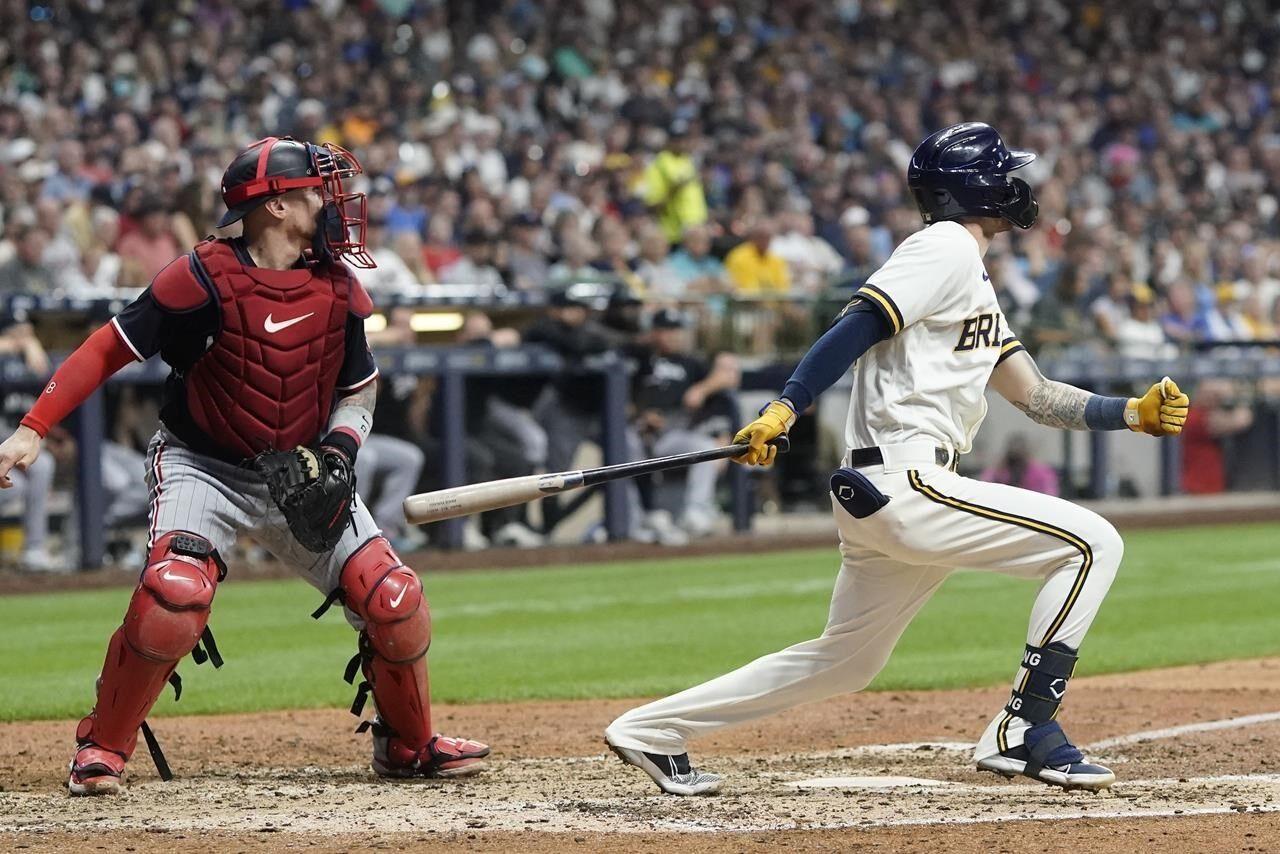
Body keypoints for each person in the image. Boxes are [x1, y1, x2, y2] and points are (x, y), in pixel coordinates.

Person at [605, 123, 1190, 796]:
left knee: (845, 661)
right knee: (1091, 544)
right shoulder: (943, 247)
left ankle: (652, 730)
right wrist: (785, 407)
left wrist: (1131, 413)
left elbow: (1036, 395)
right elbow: (854, 324)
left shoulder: (966, 272)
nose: (1017, 186)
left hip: (891, 489)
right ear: (978, 188)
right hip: (908, 480)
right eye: (1005, 174)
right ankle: (1025, 729)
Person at [0, 136, 488, 795]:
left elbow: (358, 390)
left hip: (302, 467)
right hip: (204, 464)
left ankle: (408, 743)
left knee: (392, 598)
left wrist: (340, 449)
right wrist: (33, 428)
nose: (331, 203)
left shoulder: (339, 287)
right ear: (276, 207)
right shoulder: (199, 276)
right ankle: (102, 747)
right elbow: (104, 350)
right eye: (316, 192)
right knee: (176, 591)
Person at [632, 309, 741, 537]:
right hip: (636, 431)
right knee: (626, 451)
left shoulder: (690, 364)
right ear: (654, 332)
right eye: (666, 330)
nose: (672, 335)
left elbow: (727, 381)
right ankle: (637, 519)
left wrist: (700, 389)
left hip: (672, 434)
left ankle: (696, 512)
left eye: (676, 330)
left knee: (708, 449)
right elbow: (624, 397)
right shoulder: (641, 358)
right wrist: (642, 414)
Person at [640, 121, 708, 245]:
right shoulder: (659, 163)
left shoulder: (688, 160)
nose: (682, 143)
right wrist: (674, 189)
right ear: (669, 141)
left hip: (695, 225)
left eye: (684, 139)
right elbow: (653, 203)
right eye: (677, 140)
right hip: (675, 231)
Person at [980, 433, 1059, 496]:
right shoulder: (999, 470)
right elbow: (985, 487)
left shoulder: (1040, 472)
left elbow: (1050, 493)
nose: (1017, 466)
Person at [724, 219, 790, 294]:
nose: (765, 241)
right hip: (746, 304)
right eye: (761, 237)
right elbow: (741, 287)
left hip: (773, 303)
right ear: (752, 238)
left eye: (768, 238)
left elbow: (783, 287)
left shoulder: (777, 260)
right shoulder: (738, 257)